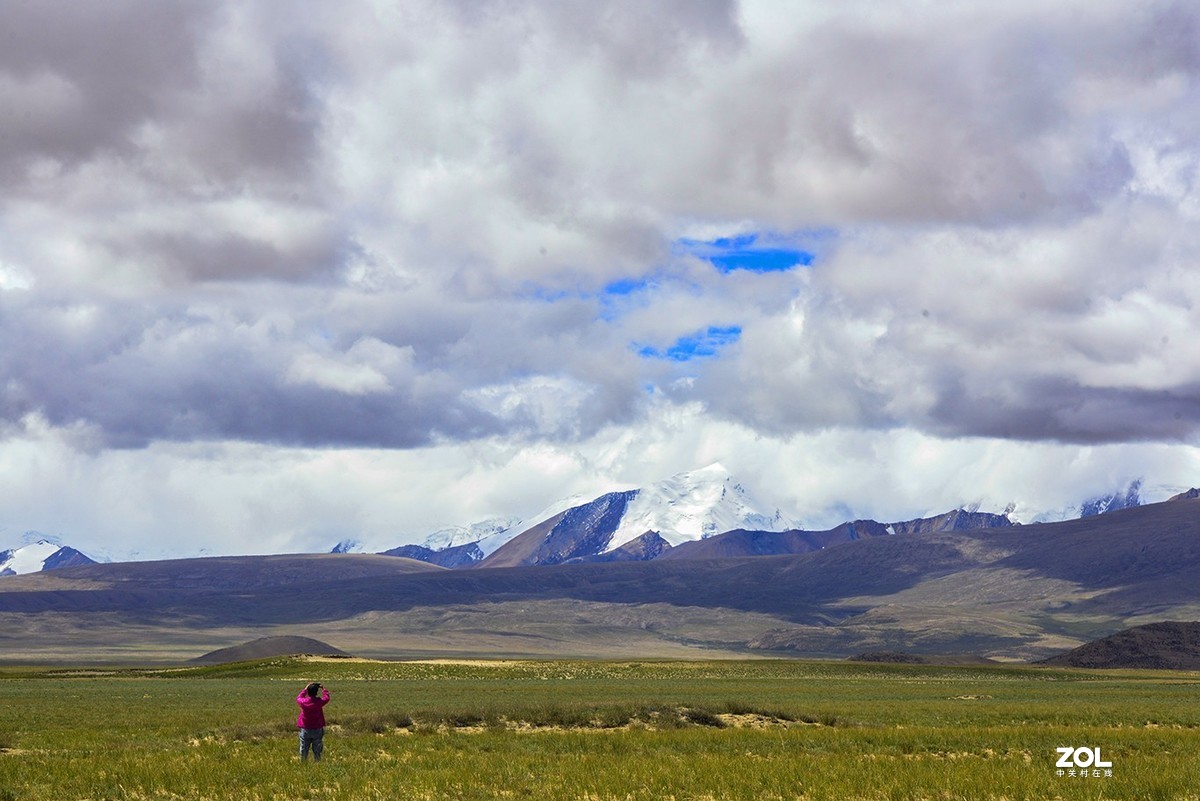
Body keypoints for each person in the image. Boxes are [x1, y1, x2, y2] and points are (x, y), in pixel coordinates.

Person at [296, 681, 331, 762]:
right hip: (317, 728)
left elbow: (299, 698)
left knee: (304, 747)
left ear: (308, 692)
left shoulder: (304, 702)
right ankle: (317, 762)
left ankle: (303, 762)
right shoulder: (319, 702)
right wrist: (323, 689)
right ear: (316, 692)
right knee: (317, 748)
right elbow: (327, 698)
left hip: (305, 728)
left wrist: (305, 689)